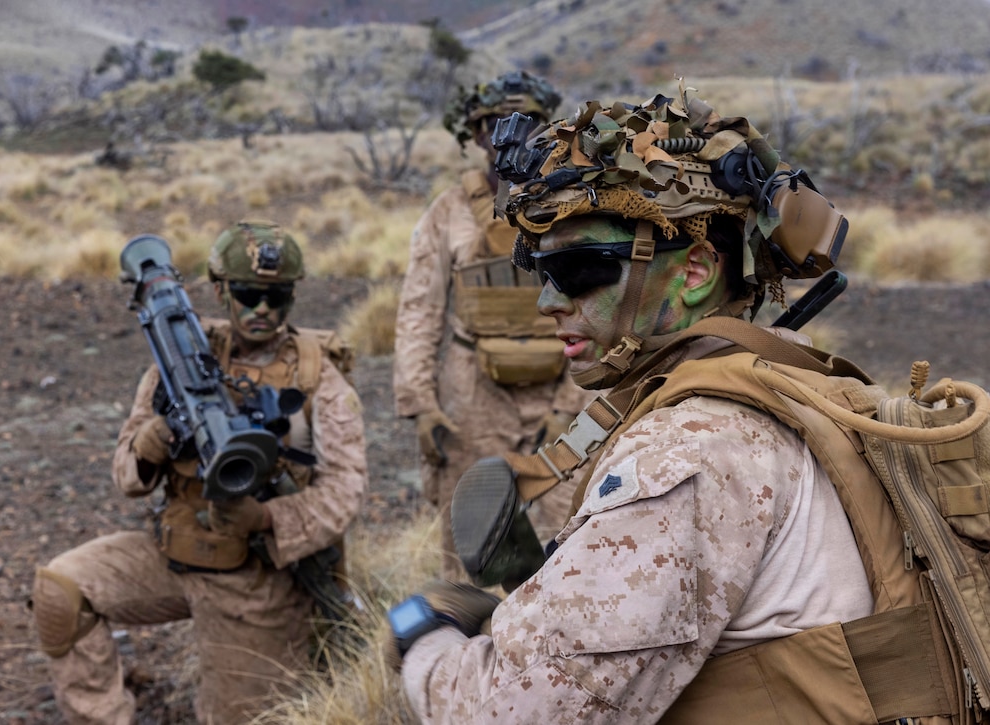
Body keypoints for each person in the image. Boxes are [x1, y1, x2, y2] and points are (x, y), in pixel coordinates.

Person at [390, 92, 934, 722]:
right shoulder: (793, 381)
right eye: (539, 269)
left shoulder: (688, 451)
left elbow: (509, 714)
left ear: (697, 269)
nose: (547, 302)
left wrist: (423, 643)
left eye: (576, 268)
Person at [30, 221, 367, 724]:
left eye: (276, 298)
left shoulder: (321, 380)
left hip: (256, 579)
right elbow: (126, 477)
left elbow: (345, 492)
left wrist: (266, 519)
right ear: (219, 291)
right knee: (62, 592)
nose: (261, 311)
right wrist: (146, 447)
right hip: (175, 550)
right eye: (248, 294)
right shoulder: (181, 360)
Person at [393, 70, 598, 580]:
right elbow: (419, 309)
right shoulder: (450, 211)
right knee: (471, 539)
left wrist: (575, 407)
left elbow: (599, 306)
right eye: (493, 122)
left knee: (567, 533)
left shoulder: (575, 203)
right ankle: (467, 648)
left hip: (561, 380)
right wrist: (421, 405)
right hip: (473, 391)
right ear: (477, 131)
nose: (508, 132)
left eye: (527, 120)